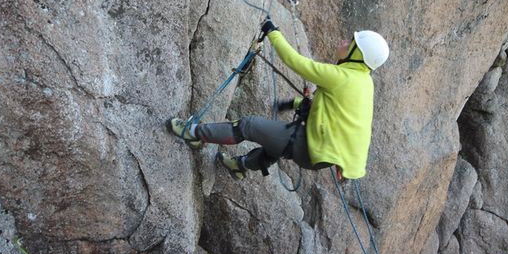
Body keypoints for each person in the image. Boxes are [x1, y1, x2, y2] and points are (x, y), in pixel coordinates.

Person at [167, 17, 389, 180]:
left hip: (308, 145)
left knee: (248, 126)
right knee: (274, 146)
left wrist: (272, 31)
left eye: (349, 43)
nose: (343, 42)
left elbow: (295, 62)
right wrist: (296, 104)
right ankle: (240, 166)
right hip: (320, 153)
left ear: (356, 55)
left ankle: (193, 133)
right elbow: (342, 116)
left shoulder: (342, 76)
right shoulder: (364, 83)